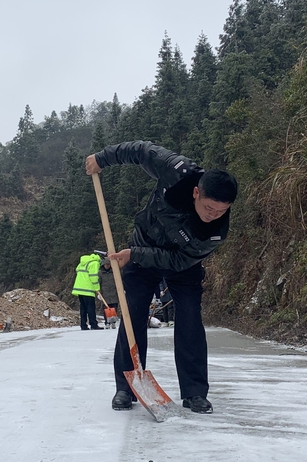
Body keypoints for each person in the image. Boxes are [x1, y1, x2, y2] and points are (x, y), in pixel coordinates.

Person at [86, 140, 238, 414]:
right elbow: (141, 150)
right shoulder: (175, 171)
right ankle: (126, 386)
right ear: (195, 192)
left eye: (221, 211)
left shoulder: (214, 232)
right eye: (209, 208)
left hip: (179, 263)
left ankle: (194, 393)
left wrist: (134, 255)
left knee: (190, 316)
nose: (212, 216)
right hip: (144, 244)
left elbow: (178, 261)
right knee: (132, 313)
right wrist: (102, 158)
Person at [71, 252, 103, 330]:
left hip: (79, 289)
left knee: (83, 308)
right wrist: (97, 288)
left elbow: (77, 270)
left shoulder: (83, 262)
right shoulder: (95, 263)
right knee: (91, 308)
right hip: (88, 289)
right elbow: (94, 277)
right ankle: (93, 324)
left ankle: (83, 325)